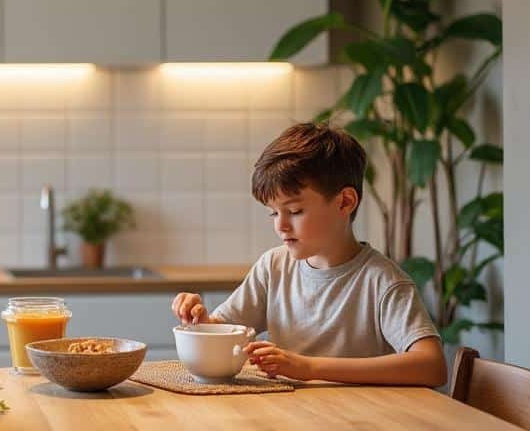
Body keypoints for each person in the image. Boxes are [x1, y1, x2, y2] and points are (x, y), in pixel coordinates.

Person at [170, 122, 447, 386]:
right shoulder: (273, 267)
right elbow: (224, 329)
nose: (280, 225)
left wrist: (309, 368)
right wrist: (200, 322)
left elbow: (432, 365)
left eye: (295, 211)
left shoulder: (382, 281)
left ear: (345, 202)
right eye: (273, 213)